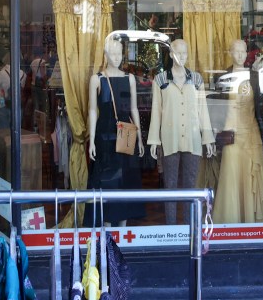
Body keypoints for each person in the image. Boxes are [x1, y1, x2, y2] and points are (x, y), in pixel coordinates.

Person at [147, 39, 215, 225]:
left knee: (191, 185)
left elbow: (203, 110)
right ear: (170, 54)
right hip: (170, 138)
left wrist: (207, 138)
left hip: (192, 139)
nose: (182, 57)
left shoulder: (197, 79)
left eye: (185, 53)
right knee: (170, 185)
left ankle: (188, 226)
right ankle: (170, 229)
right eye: (178, 53)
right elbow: (156, 111)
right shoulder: (161, 80)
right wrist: (154, 140)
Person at [213, 39, 263, 223]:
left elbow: (260, 109)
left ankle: (252, 220)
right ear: (230, 52)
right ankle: (232, 220)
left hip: (251, 133)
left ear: (247, 53)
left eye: (243, 51)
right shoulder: (223, 77)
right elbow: (217, 108)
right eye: (236, 51)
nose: (240, 55)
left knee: (251, 175)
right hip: (231, 133)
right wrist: (215, 133)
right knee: (231, 176)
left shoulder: (255, 76)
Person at [87, 35, 145, 226]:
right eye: (112, 53)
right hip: (104, 137)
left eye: (119, 53)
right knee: (106, 182)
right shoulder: (97, 79)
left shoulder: (130, 79)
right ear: (105, 54)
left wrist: (140, 137)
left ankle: (122, 229)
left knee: (124, 182)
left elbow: (134, 108)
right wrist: (92, 138)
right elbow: (93, 110)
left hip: (126, 134)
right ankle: (107, 228)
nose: (116, 57)